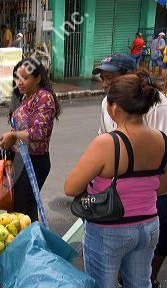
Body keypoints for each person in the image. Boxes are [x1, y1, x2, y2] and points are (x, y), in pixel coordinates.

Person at [64, 74, 167, 288]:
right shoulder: (161, 140)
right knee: (140, 284)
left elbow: (71, 187)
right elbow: (162, 187)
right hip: (148, 226)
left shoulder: (107, 143)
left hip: (109, 229)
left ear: (114, 107)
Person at [0, 57, 61, 222]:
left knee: (24, 209)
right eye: (17, 78)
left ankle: (30, 243)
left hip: (34, 162)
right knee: (18, 207)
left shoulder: (44, 97)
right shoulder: (25, 96)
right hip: (18, 160)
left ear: (38, 78)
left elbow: (39, 133)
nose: (20, 82)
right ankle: (24, 242)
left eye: (25, 78)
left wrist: (13, 136)